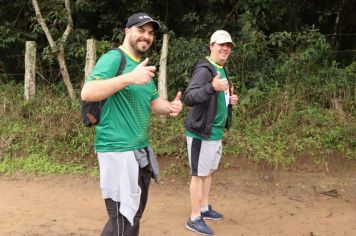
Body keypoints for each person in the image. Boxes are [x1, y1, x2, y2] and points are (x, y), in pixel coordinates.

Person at [81, 12, 182, 236]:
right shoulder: (114, 59)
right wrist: (129, 77)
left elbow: (154, 102)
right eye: (141, 30)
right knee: (122, 219)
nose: (146, 36)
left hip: (139, 152)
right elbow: (88, 92)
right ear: (127, 31)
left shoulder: (142, 68)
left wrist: (171, 107)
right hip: (117, 151)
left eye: (150, 33)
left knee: (133, 215)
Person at [183, 30, 239, 235]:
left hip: (215, 133)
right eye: (221, 44)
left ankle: (204, 208)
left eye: (228, 45)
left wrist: (229, 101)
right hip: (201, 133)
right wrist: (211, 87)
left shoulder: (221, 68)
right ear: (211, 46)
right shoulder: (204, 69)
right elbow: (189, 97)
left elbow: (217, 96)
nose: (225, 48)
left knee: (209, 171)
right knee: (198, 175)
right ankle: (194, 217)